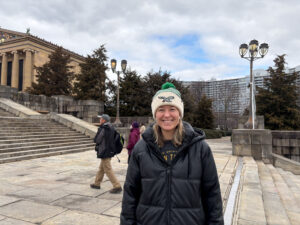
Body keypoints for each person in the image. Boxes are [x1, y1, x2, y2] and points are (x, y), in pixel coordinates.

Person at [121, 83, 224, 225]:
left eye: (172, 109)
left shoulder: (200, 148)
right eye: (161, 109)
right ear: (155, 113)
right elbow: (130, 193)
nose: (167, 115)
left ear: (180, 113)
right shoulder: (141, 148)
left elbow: (212, 195)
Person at [90, 114, 122, 194]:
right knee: (101, 168)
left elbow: (97, 140)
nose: (99, 120)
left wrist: (98, 133)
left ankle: (117, 186)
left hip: (105, 152)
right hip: (110, 151)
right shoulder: (111, 127)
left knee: (108, 169)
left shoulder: (104, 128)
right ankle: (97, 183)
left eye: (100, 119)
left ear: (104, 120)